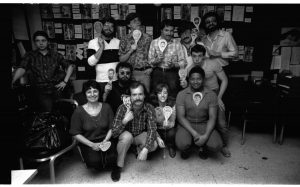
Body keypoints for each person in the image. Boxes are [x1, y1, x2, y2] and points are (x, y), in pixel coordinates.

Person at [184, 44, 230, 157]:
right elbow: (190, 87)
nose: (197, 59)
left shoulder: (213, 64)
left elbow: (224, 80)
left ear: (204, 56)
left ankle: (223, 146)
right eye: (194, 56)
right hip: (200, 96)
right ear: (191, 56)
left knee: (221, 123)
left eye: (200, 56)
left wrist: (219, 97)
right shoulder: (190, 69)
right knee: (201, 121)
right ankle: (201, 145)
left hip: (214, 94)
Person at [11, 31, 74, 112]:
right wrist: (13, 80)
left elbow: (70, 66)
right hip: (41, 90)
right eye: (38, 41)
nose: (41, 43)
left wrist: (65, 81)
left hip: (56, 89)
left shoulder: (55, 55)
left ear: (47, 42)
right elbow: (22, 68)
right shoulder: (30, 56)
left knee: (60, 111)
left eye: (43, 40)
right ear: (34, 43)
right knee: (48, 111)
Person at [69, 80, 118, 181]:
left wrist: (105, 140)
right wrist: (92, 145)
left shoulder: (106, 107)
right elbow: (75, 133)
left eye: (95, 91)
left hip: (105, 139)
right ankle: (89, 156)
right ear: (85, 94)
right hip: (89, 141)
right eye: (89, 92)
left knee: (112, 159)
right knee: (94, 162)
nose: (92, 94)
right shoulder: (79, 111)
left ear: (99, 93)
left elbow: (112, 128)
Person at [111, 81, 158, 182]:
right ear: (130, 96)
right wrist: (125, 120)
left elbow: (152, 129)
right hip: (125, 137)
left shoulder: (149, 108)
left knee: (153, 145)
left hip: (138, 136)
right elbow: (114, 133)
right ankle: (118, 166)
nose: (137, 97)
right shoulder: (123, 108)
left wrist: (145, 149)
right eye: (134, 94)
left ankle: (136, 148)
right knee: (127, 137)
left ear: (144, 95)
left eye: (140, 94)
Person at [176, 66, 223, 160]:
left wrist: (205, 136)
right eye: (192, 79)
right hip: (187, 124)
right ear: (189, 80)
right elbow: (180, 117)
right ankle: (188, 148)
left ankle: (203, 148)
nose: (195, 82)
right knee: (182, 144)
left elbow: (212, 117)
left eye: (199, 79)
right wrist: (194, 134)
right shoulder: (182, 94)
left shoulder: (211, 94)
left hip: (204, 124)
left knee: (216, 145)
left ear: (203, 79)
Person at [148, 19, 186, 100]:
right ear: (161, 30)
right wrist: (157, 60)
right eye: (166, 30)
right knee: (156, 96)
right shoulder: (154, 43)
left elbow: (183, 62)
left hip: (172, 73)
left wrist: (174, 64)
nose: (169, 33)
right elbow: (150, 62)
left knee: (172, 96)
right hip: (157, 72)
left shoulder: (177, 43)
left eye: (171, 31)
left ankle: (172, 112)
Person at [119, 13, 152, 92]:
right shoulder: (124, 39)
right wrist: (130, 51)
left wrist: (151, 68)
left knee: (145, 95)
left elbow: (154, 55)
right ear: (128, 25)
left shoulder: (148, 38)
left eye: (138, 20)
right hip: (130, 73)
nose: (138, 23)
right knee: (131, 95)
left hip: (145, 73)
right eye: (134, 21)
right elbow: (121, 59)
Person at [87, 16, 120, 90]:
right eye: (106, 25)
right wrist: (101, 47)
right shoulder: (92, 42)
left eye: (112, 26)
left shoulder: (118, 42)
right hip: (101, 82)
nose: (109, 28)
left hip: (117, 81)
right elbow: (91, 63)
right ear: (101, 27)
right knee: (102, 101)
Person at [152, 83, 177, 158]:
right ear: (156, 94)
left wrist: (169, 124)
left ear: (168, 94)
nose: (162, 95)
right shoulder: (152, 106)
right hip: (157, 129)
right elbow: (151, 125)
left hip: (168, 130)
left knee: (172, 133)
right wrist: (157, 137)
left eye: (165, 93)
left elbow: (173, 122)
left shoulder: (172, 104)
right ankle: (159, 143)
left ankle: (171, 146)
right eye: (159, 93)